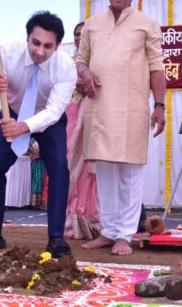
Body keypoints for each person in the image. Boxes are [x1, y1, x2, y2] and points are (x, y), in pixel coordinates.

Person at [0, 11, 77, 257]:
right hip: (13, 114)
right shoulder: (6, 53)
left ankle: (56, 237)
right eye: (35, 43)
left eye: (48, 46)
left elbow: (54, 111)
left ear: (57, 46)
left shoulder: (66, 67)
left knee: (59, 167)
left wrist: (24, 127)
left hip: (48, 121)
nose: (40, 51)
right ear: (27, 38)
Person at [77, 0, 166, 256]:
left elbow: (157, 67)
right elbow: (80, 60)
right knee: (104, 172)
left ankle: (125, 235)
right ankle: (108, 231)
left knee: (129, 173)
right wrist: (85, 72)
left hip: (131, 110)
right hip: (100, 106)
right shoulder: (92, 23)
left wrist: (160, 106)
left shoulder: (147, 24)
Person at [64, 22, 100, 240]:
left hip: (92, 118)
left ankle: (90, 219)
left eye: (84, 34)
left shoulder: (97, 62)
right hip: (70, 119)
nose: (80, 38)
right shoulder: (66, 63)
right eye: (77, 34)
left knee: (90, 169)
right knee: (69, 165)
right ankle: (70, 221)